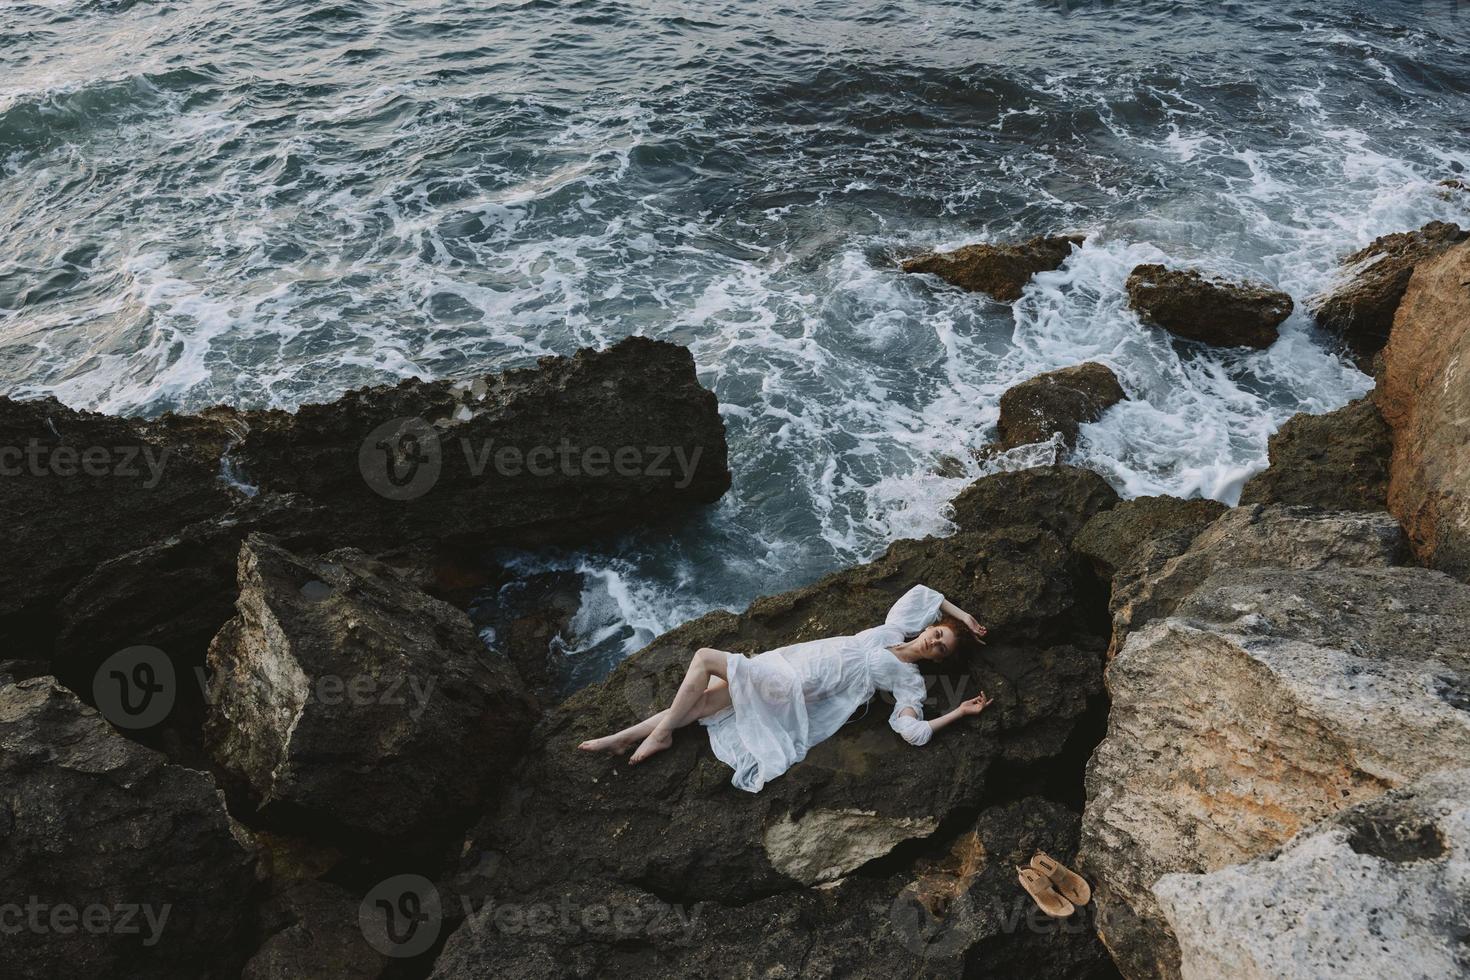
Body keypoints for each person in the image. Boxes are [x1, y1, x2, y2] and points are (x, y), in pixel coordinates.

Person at [579, 584, 992, 792]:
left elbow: (912, 732)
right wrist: (964, 616)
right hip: (788, 660)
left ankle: (662, 733)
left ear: (938, 660)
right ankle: (622, 738)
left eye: (940, 647)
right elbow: (924, 594)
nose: (933, 641)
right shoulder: (894, 627)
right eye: (937, 633)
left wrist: (958, 713)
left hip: (794, 684)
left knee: (706, 658)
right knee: (706, 702)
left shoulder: (909, 682)